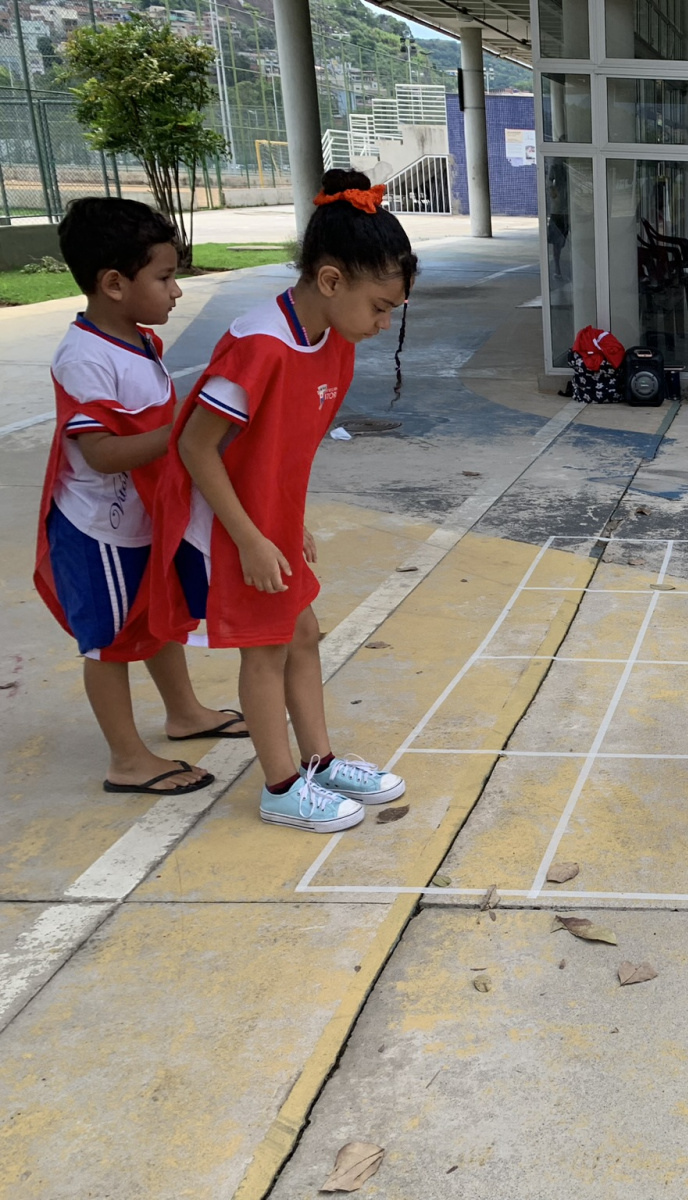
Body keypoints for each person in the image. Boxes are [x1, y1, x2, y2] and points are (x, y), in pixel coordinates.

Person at [149, 170, 416, 834]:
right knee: (266, 650)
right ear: (331, 281)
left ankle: (319, 762)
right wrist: (249, 537)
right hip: (226, 527)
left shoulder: (334, 340)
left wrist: (289, 524)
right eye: (380, 306)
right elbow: (195, 446)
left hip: (266, 523)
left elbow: (285, 451)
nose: (383, 323)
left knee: (302, 633)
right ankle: (280, 786)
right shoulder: (259, 345)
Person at [33, 198, 247, 797]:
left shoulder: (139, 341)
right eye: (166, 276)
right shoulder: (84, 358)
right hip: (97, 526)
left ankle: (184, 713)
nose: (176, 292)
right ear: (114, 284)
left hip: (142, 516)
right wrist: (185, 433)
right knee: (109, 642)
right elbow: (100, 453)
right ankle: (126, 758)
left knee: (155, 616)